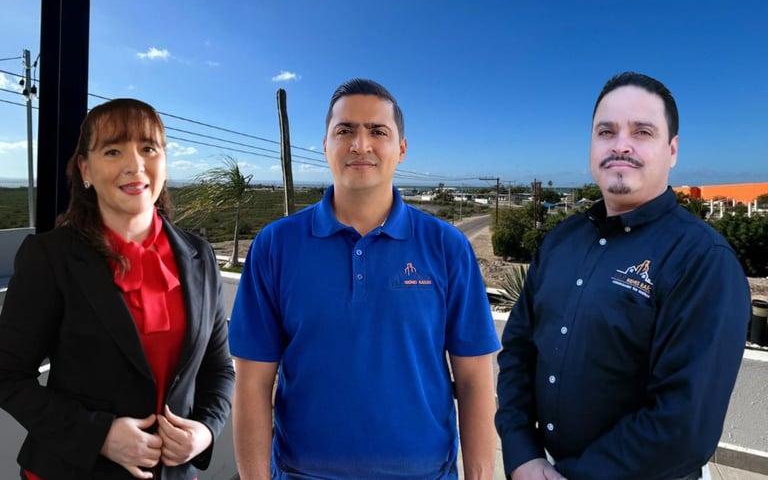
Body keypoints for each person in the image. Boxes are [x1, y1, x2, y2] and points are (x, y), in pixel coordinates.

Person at [228, 78, 500, 479]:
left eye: (377, 131)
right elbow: (252, 383)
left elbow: (475, 380)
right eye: (345, 131)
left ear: (401, 148)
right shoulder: (276, 246)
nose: (360, 144)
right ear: (325, 145)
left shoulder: (446, 246)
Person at [495, 72, 751, 480]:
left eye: (642, 132)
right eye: (606, 132)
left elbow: (683, 427)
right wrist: (521, 452)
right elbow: (518, 351)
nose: (620, 145)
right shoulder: (561, 241)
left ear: (672, 150)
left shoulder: (702, 260)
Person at [0, 99, 235, 480]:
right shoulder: (50, 257)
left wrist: (205, 431)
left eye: (148, 148)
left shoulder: (200, 255)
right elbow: (7, 374)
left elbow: (219, 368)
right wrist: (99, 436)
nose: (135, 165)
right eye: (113, 151)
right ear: (85, 169)